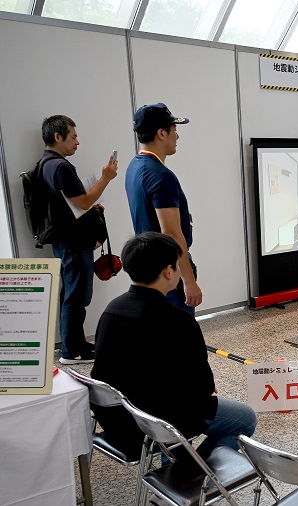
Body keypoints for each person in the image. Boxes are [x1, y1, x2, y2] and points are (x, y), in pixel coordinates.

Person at [91, 232, 256, 455]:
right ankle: (188, 472)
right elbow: (203, 390)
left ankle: (176, 461)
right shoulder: (178, 321)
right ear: (168, 271)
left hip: (121, 421)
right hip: (162, 422)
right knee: (245, 419)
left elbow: (104, 370)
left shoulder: (112, 309)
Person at [40, 115, 118, 364]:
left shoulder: (46, 164)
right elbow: (82, 201)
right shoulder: (61, 166)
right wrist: (106, 178)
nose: (77, 142)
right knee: (76, 297)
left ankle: (75, 344)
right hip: (74, 242)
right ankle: (71, 352)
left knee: (70, 296)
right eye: (73, 136)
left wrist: (91, 207)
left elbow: (72, 204)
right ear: (57, 136)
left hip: (64, 241)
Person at [125, 103, 201, 314]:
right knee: (177, 335)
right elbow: (171, 233)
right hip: (166, 268)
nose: (177, 136)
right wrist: (188, 280)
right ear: (161, 133)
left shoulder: (134, 166)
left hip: (147, 267)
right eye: (174, 130)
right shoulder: (160, 176)